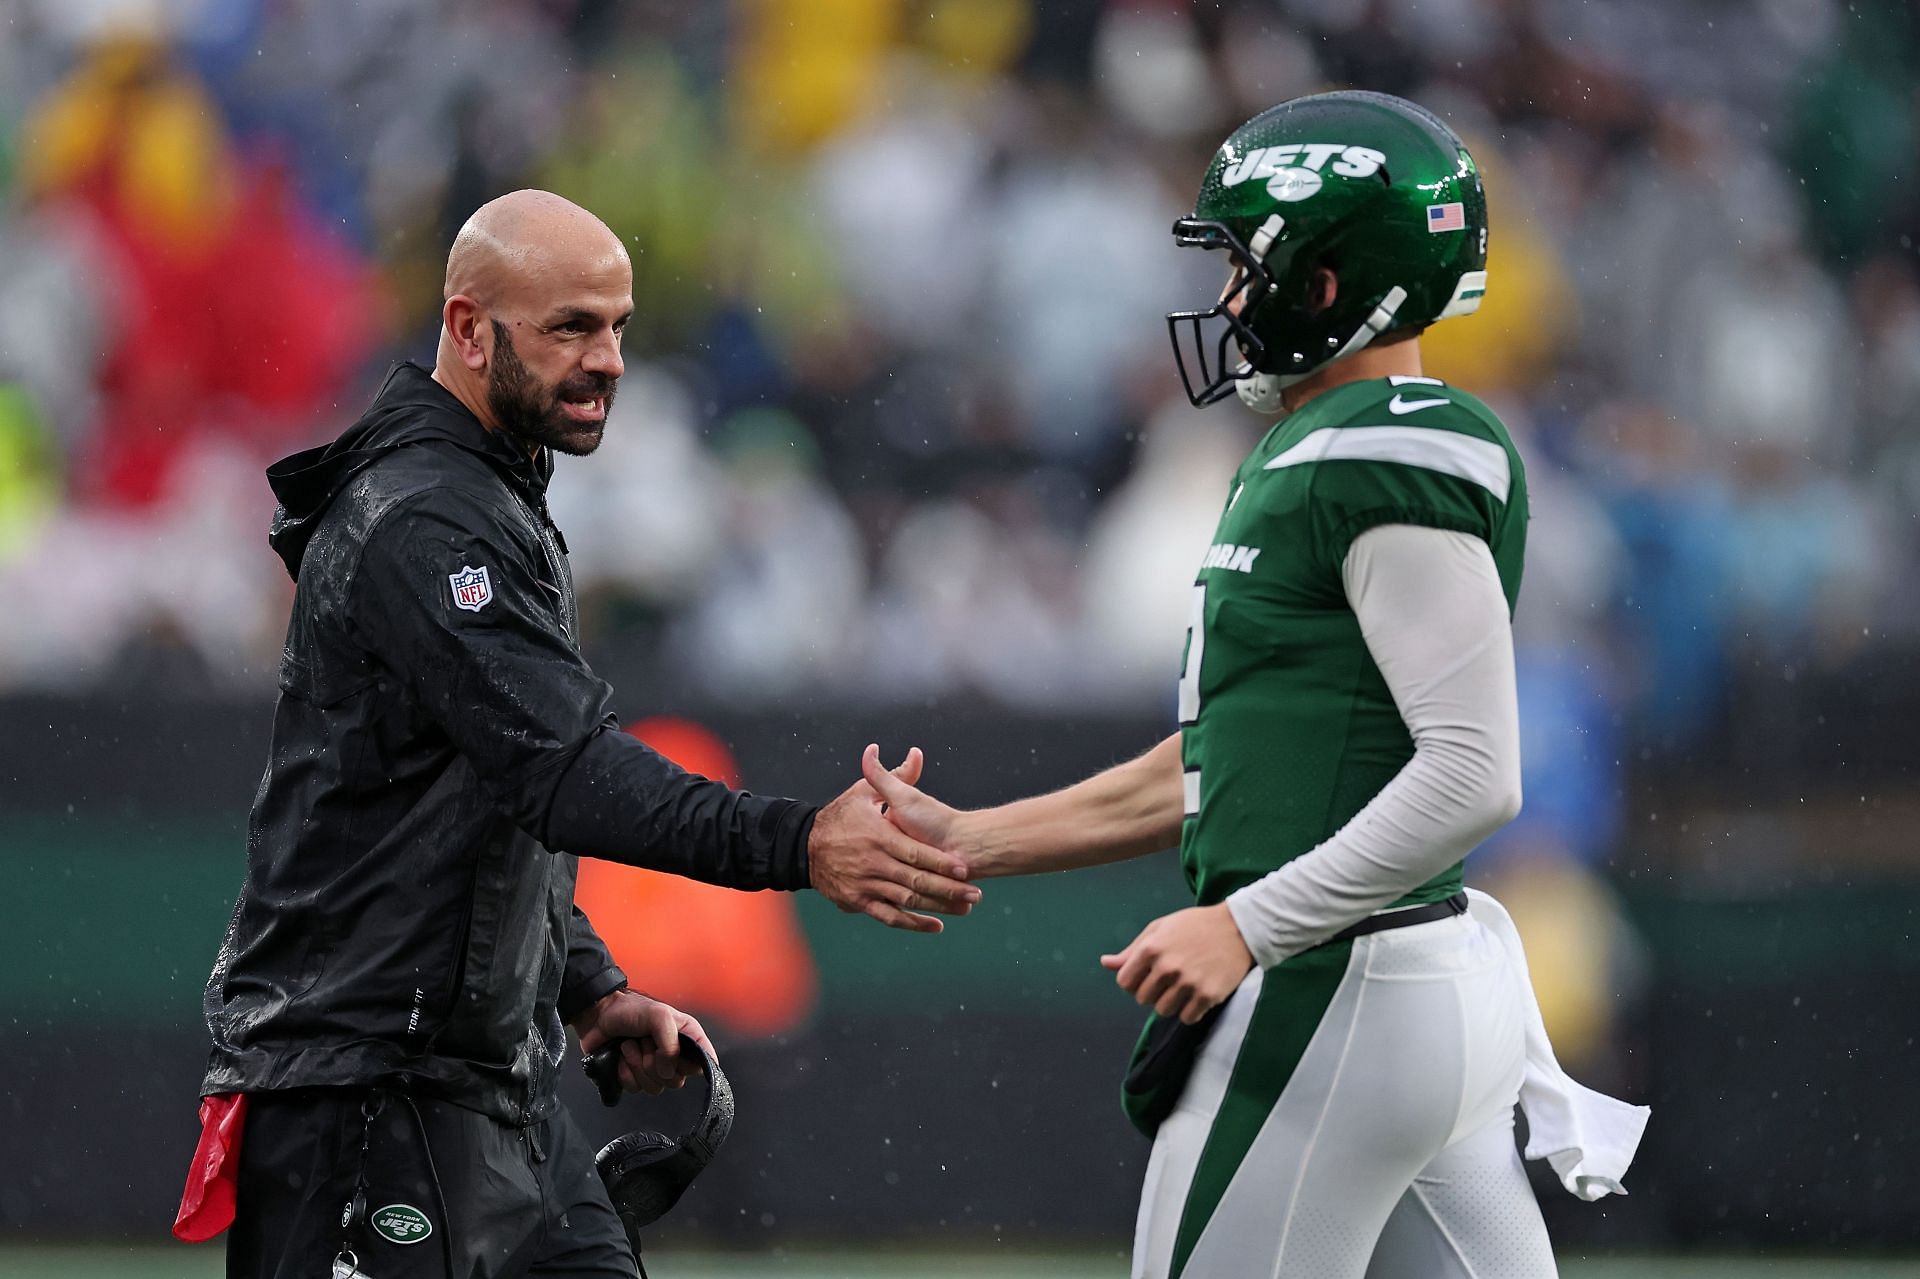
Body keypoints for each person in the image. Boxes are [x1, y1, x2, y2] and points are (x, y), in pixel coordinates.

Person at [862, 92, 1647, 1278]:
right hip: (1415, 986)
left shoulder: (1382, 446)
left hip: (1334, 987)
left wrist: (1245, 922)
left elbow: (1478, 773)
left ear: (1323, 282)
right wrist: (971, 839)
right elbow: (1222, 761)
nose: (1228, 300)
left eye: (1245, 265)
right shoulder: (1316, 445)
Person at [186, 190, 980, 1279]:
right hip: (359, 1092)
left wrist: (589, 984)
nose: (607, 358)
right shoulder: (426, 517)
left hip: (485, 1091)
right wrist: (799, 843)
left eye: (617, 325)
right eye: (570, 326)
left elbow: (485, 799)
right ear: (468, 329)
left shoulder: (487, 494)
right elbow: (561, 769)